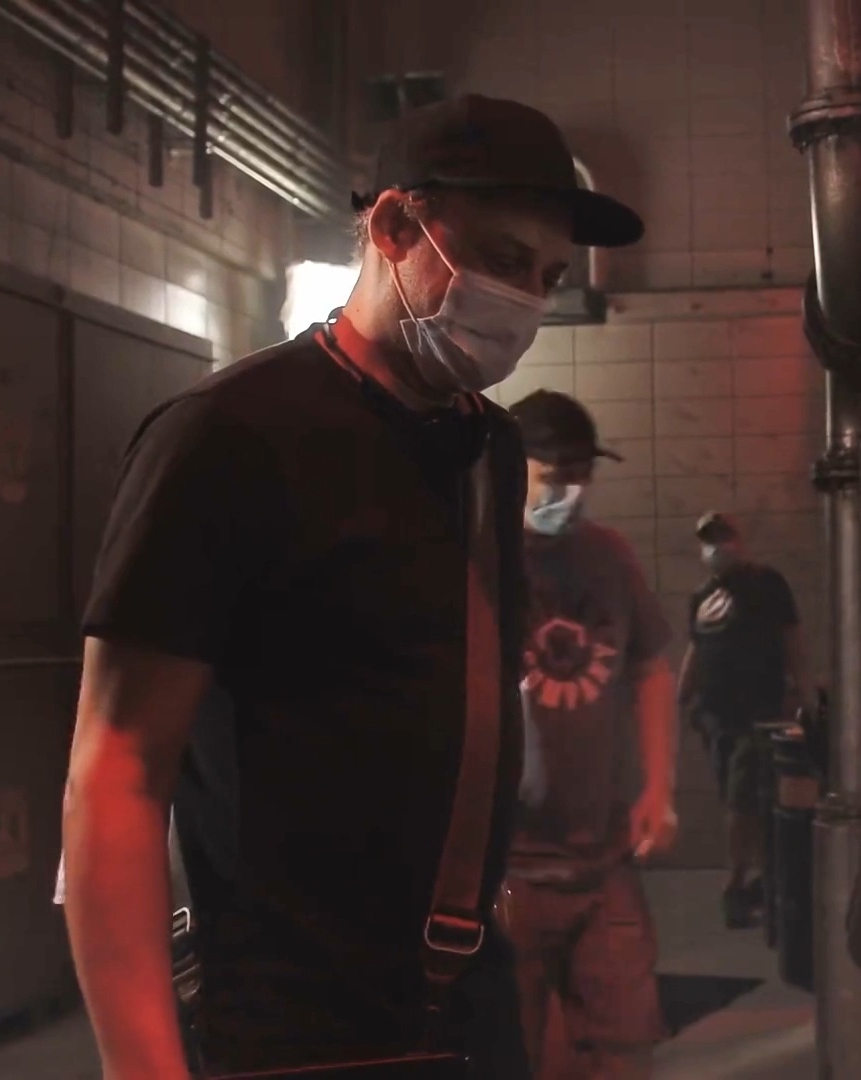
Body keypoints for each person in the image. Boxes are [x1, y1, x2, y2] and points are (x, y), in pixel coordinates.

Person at [60, 93, 644, 1079]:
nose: (526, 304)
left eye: (547, 278)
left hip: (457, 1003)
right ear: (395, 225)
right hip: (282, 1030)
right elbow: (116, 769)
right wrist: (141, 1065)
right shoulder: (228, 435)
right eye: (502, 259)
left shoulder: (487, 447)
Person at [500, 390, 679, 1080]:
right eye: (553, 476)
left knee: (623, 1043)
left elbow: (651, 668)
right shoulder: (475, 559)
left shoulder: (607, 555)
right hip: (504, 868)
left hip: (602, 858)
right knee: (512, 1051)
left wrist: (658, 789)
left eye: (582, 475)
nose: (570, 494)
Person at [675, 512, 805, 928]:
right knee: (739, 800)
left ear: (738, 539)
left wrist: (799, 690)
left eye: (722, 536)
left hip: (758, 713)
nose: (716, 547)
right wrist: (683, 693)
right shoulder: (703, 595)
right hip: (716, 717)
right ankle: (758, 881)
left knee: (741, 798)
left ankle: (737, 883)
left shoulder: (767, 584)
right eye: (708, 540)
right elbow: (697, 646)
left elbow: (791, 638)